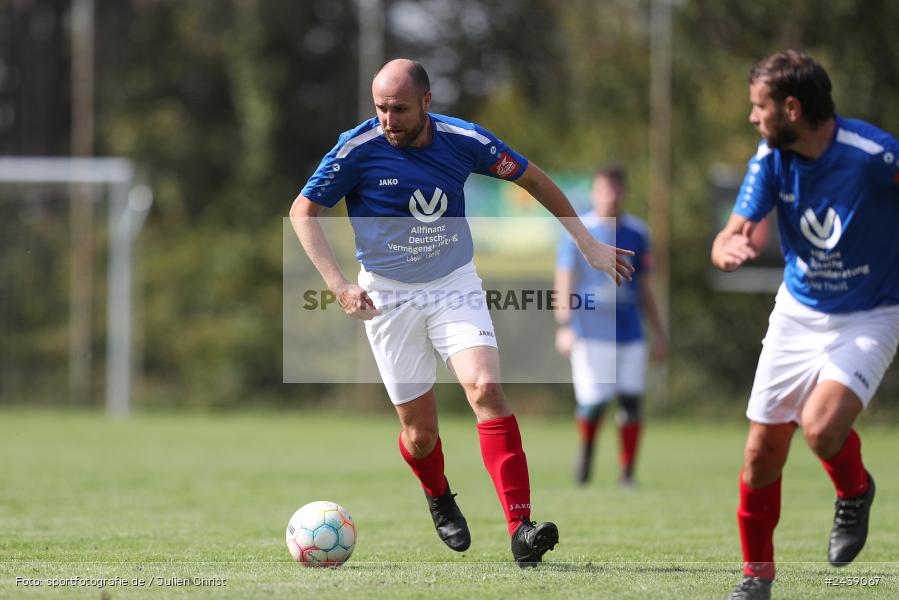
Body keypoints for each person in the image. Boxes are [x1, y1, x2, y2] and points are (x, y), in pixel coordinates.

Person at [290, 58, 635, 567]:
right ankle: (438, 494)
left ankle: (521, 529)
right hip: (387, 296)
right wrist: (339, 285)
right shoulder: (356, 149)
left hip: (453, 284)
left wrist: (586, 242)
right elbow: (303, 212)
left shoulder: (465, 140)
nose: (388, 120)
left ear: (427, 102)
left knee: (486, 388)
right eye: (381, 108)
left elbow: (533, 180)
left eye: (400, 109)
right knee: (420, 436)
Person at [711, 50, 899, 600]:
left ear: (791, 108)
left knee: (820, 428)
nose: (752, 117)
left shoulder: (874, 156)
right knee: (761, 453)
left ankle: (855, 492)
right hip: (797, 313)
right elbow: (730, 232)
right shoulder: (771, 159)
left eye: (759, 106)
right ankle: (756, 577)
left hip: (871, 313)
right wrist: (727, 249)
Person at [554, 165, 667, 487]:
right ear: (594, 192)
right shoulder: (579, 230)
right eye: (604, 189)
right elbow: (565, 278)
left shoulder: (638, 232)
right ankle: (586, 457)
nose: (610, 196)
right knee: (594, 403)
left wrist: (659, 333)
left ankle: (627, 473)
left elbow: (645, 286)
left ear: (624, 192)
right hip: (590, 330)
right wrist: (564, 324)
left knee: (631, 400)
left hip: (630, 331)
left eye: (616, 189)